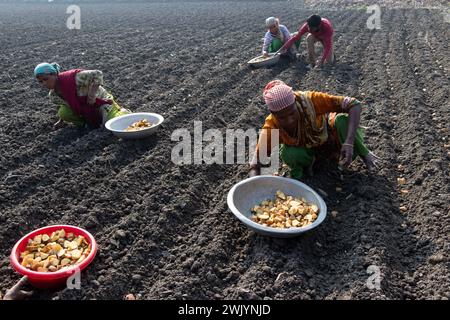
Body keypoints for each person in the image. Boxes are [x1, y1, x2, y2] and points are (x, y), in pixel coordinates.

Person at [249, 80, 379, 180]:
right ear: (273, 113)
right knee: (290, 154)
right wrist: (255, 184)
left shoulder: (310, 100)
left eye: (292, 113)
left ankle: (363, 152)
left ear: (295, 102)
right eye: (282, 117)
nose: (289, 120)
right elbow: (256, 161)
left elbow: (354, 104)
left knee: (342, 121)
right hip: (307, 150)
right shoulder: (271, 126)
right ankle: (309, 169)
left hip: (327, 138)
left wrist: (349, 142)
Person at [34, 62, 130, 130]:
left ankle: (122, 113)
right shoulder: (54, 96)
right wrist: (61, 121)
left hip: (100, 102)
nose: (44, 84)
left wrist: (92, 95)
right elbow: (67, 105)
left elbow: (97, 74)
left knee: (117, 123)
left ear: (54, 74)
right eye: (40, 82)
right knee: (63, 112)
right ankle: (85, 124)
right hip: (85, 109)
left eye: (46, 79)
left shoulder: (73, 78)